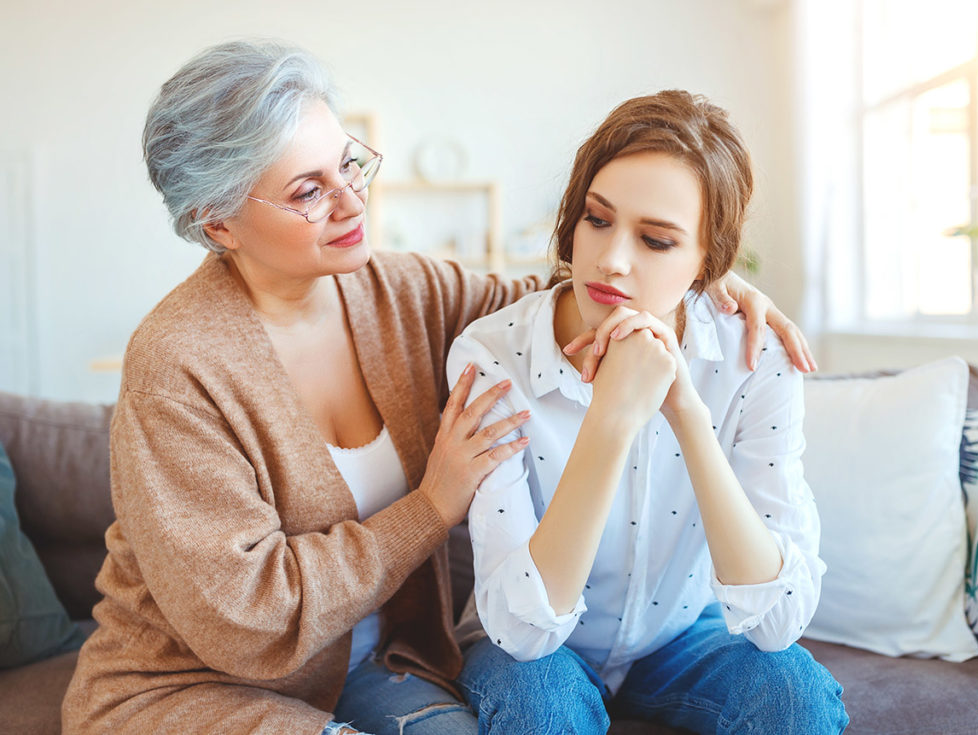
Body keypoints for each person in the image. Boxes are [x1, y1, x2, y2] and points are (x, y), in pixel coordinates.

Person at [61, 40, 816, 735]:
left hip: (376, 665)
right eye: (307, 191)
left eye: (349, 163)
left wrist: (711, 292)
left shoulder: (403, 293)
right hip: (201, 685)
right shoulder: (177, 365)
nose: (354, 200)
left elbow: (563, 299)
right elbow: (247, 618)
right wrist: (430, 506)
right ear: (219, 224)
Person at [448, 90, 849, 734]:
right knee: (538, 707)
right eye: (597, 219)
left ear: (707, 264)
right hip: (542, 650)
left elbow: (778, 624)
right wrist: (612, 418)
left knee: (793, 697)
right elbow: (522, 633)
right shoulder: (493, 354)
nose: (611, 260)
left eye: (657, 240)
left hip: (685, 634)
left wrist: (685, 409)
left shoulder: (754, 353)